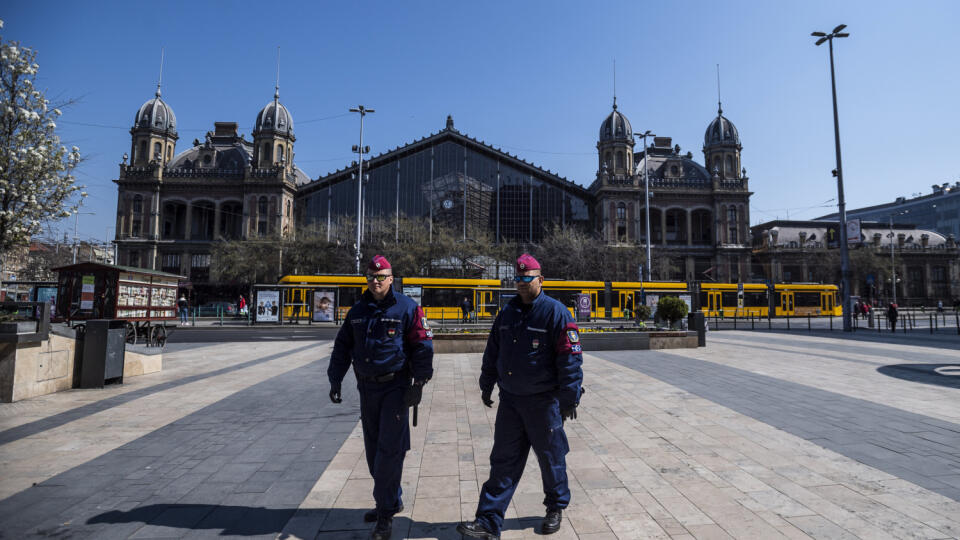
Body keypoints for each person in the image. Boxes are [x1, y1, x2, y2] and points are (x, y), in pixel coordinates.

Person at [458, 254, 584, 539]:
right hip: (511, 401)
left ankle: (555, 507)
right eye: (518, 279)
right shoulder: (508, 313)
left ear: (541, 279)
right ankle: (488, 522)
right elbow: (494, 350)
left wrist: (570, 396)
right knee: (502, 461)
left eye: (528, 278)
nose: (522, 284)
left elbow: (570, 359)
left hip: (544, 402)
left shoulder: (556, 313)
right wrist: (486, 381)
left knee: (551, 459)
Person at [328, 255, 433, 540]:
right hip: (367, 390)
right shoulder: (358, 310)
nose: (376, 281)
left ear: (391, 278)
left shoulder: (407, 308)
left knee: (389, 452)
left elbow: (423, 345)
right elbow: (342, 346)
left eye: (382, 276)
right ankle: (391, 498)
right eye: (371, 277)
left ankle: (385, 514)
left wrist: (419, 383)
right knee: (374, 452)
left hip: (395, 388)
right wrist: (335, 378)